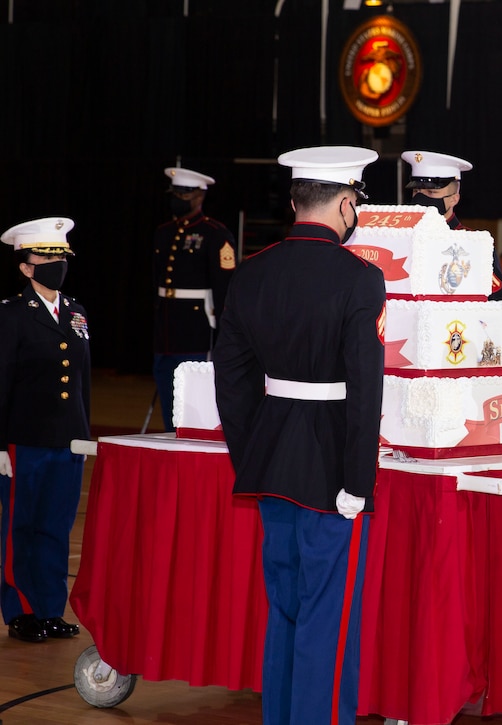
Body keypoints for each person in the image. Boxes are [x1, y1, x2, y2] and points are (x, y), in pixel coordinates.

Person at [214, 146, 386, 725]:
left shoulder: (253, 272)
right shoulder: (361, 278)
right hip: (331, 465)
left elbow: (232, 383)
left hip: (271, 459)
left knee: (285, 607)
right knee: (326, 616)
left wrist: (251, 452)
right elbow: (365, 390)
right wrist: (358, 481)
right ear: (345, 203)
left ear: (293, 203)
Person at [0, 217, 90, 643]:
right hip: (25, 439)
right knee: (20, 528)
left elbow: (82, 382)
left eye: (61, 255)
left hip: (66, 439)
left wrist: (84, 432)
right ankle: (20, 610)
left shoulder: (76, 312)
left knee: (56, 526)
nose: (56, 262)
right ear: (25, 267)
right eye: (45, 255)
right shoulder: (12, 315)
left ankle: (51, 609)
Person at [153, 166, 236, 431]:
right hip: (165, 328)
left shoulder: (215, 234)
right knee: (166, 389)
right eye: (175, 193)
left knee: (194, 397)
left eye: (184, 194)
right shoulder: (164, 232)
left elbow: (225, 288)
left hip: (197, 329)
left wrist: (226, 333)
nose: (177, 199)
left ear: (199, 196)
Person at [400, 150, 502, 300]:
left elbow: (496, 299)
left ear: (453, 199)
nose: (421, 198)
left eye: (431, 193)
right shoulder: (401, 237)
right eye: (416, 191)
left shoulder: (473, 244)